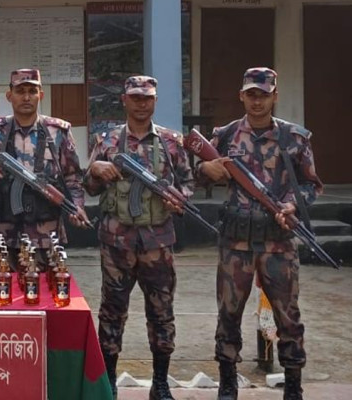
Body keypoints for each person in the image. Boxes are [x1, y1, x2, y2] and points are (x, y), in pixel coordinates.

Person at [198, 67, 322, 400]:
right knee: (228, 314)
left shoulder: (294, 138)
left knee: (288, 317)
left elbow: (311, 185)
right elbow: (197, 172)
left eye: (264, 95)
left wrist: (292, 204)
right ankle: (227, 383)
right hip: (235, 243)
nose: (257, 101)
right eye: (251, 94)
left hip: (278, 242)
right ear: (241, 96)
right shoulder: (225, 135)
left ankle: (293, 386)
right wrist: (205, 168)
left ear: (274, 96)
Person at [83, 76, 194, 400]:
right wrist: (96, 170)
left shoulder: (172, 143)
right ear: (124, 100)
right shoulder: (106, 141)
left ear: (155, 101)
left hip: (157, 243)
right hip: (116, 244)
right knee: (111, 313)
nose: (141, 103)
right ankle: (109, 383)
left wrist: (179, 199)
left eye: (147, 98)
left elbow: (188, 183)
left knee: (161, 313)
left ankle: (160, 383)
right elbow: (89, 186)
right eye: (135, 97)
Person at [0, 68, 88, 272]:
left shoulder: (58, 132)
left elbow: (73, 176)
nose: (26, 97)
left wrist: (77, 206)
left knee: (49, 289)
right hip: (6, 235)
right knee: (5, 289)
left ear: (41, 95)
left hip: (46, 236)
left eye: (32, 91)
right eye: (20, 91)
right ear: (9, 95)